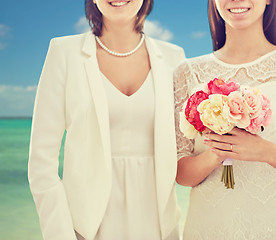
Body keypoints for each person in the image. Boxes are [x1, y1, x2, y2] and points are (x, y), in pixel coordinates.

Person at [173, 0, 276, 239]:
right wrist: (217, 153)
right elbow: (181, 174)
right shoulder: (187, 72)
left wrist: (264, 151)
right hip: (209, 226)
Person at [28, 0, 185, 239]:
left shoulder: (175, 58)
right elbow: (41, 164)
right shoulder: (64, 53)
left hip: (159, 227)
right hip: (86, 228)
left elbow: (188, 149)